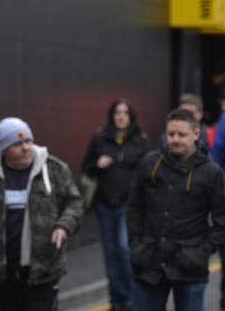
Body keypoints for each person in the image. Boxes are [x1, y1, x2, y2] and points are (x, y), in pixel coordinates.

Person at [0, 117, 83, 311]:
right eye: (18, 143)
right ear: (4, 148)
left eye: (28, 141)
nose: (26, 147)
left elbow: (75, 202)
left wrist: (64, 225)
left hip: (44, 269)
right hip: (2, 272)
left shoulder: (54, 169)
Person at [128, 108, 225, 311]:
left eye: (182, 135)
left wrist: (201, 253)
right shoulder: (150, 164)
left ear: (196, 134)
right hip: (149, 262)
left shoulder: (210, 172)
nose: (175, 139)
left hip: (189, 267)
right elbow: (135, 209)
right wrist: (136, 247)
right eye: (171, 134)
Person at [80, 99, 150, 311]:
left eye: (125, 113)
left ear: (131, 116)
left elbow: (148, 172)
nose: (121, 116)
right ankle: (117, 301)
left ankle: (130, 300)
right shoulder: (100, 138)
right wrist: (97, 164)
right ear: (112, 116)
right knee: (110, 255)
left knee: (123, 249)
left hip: (128, 205)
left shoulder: (140, 139)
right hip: (105, 204)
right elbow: (86, 168)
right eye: (117, 112)